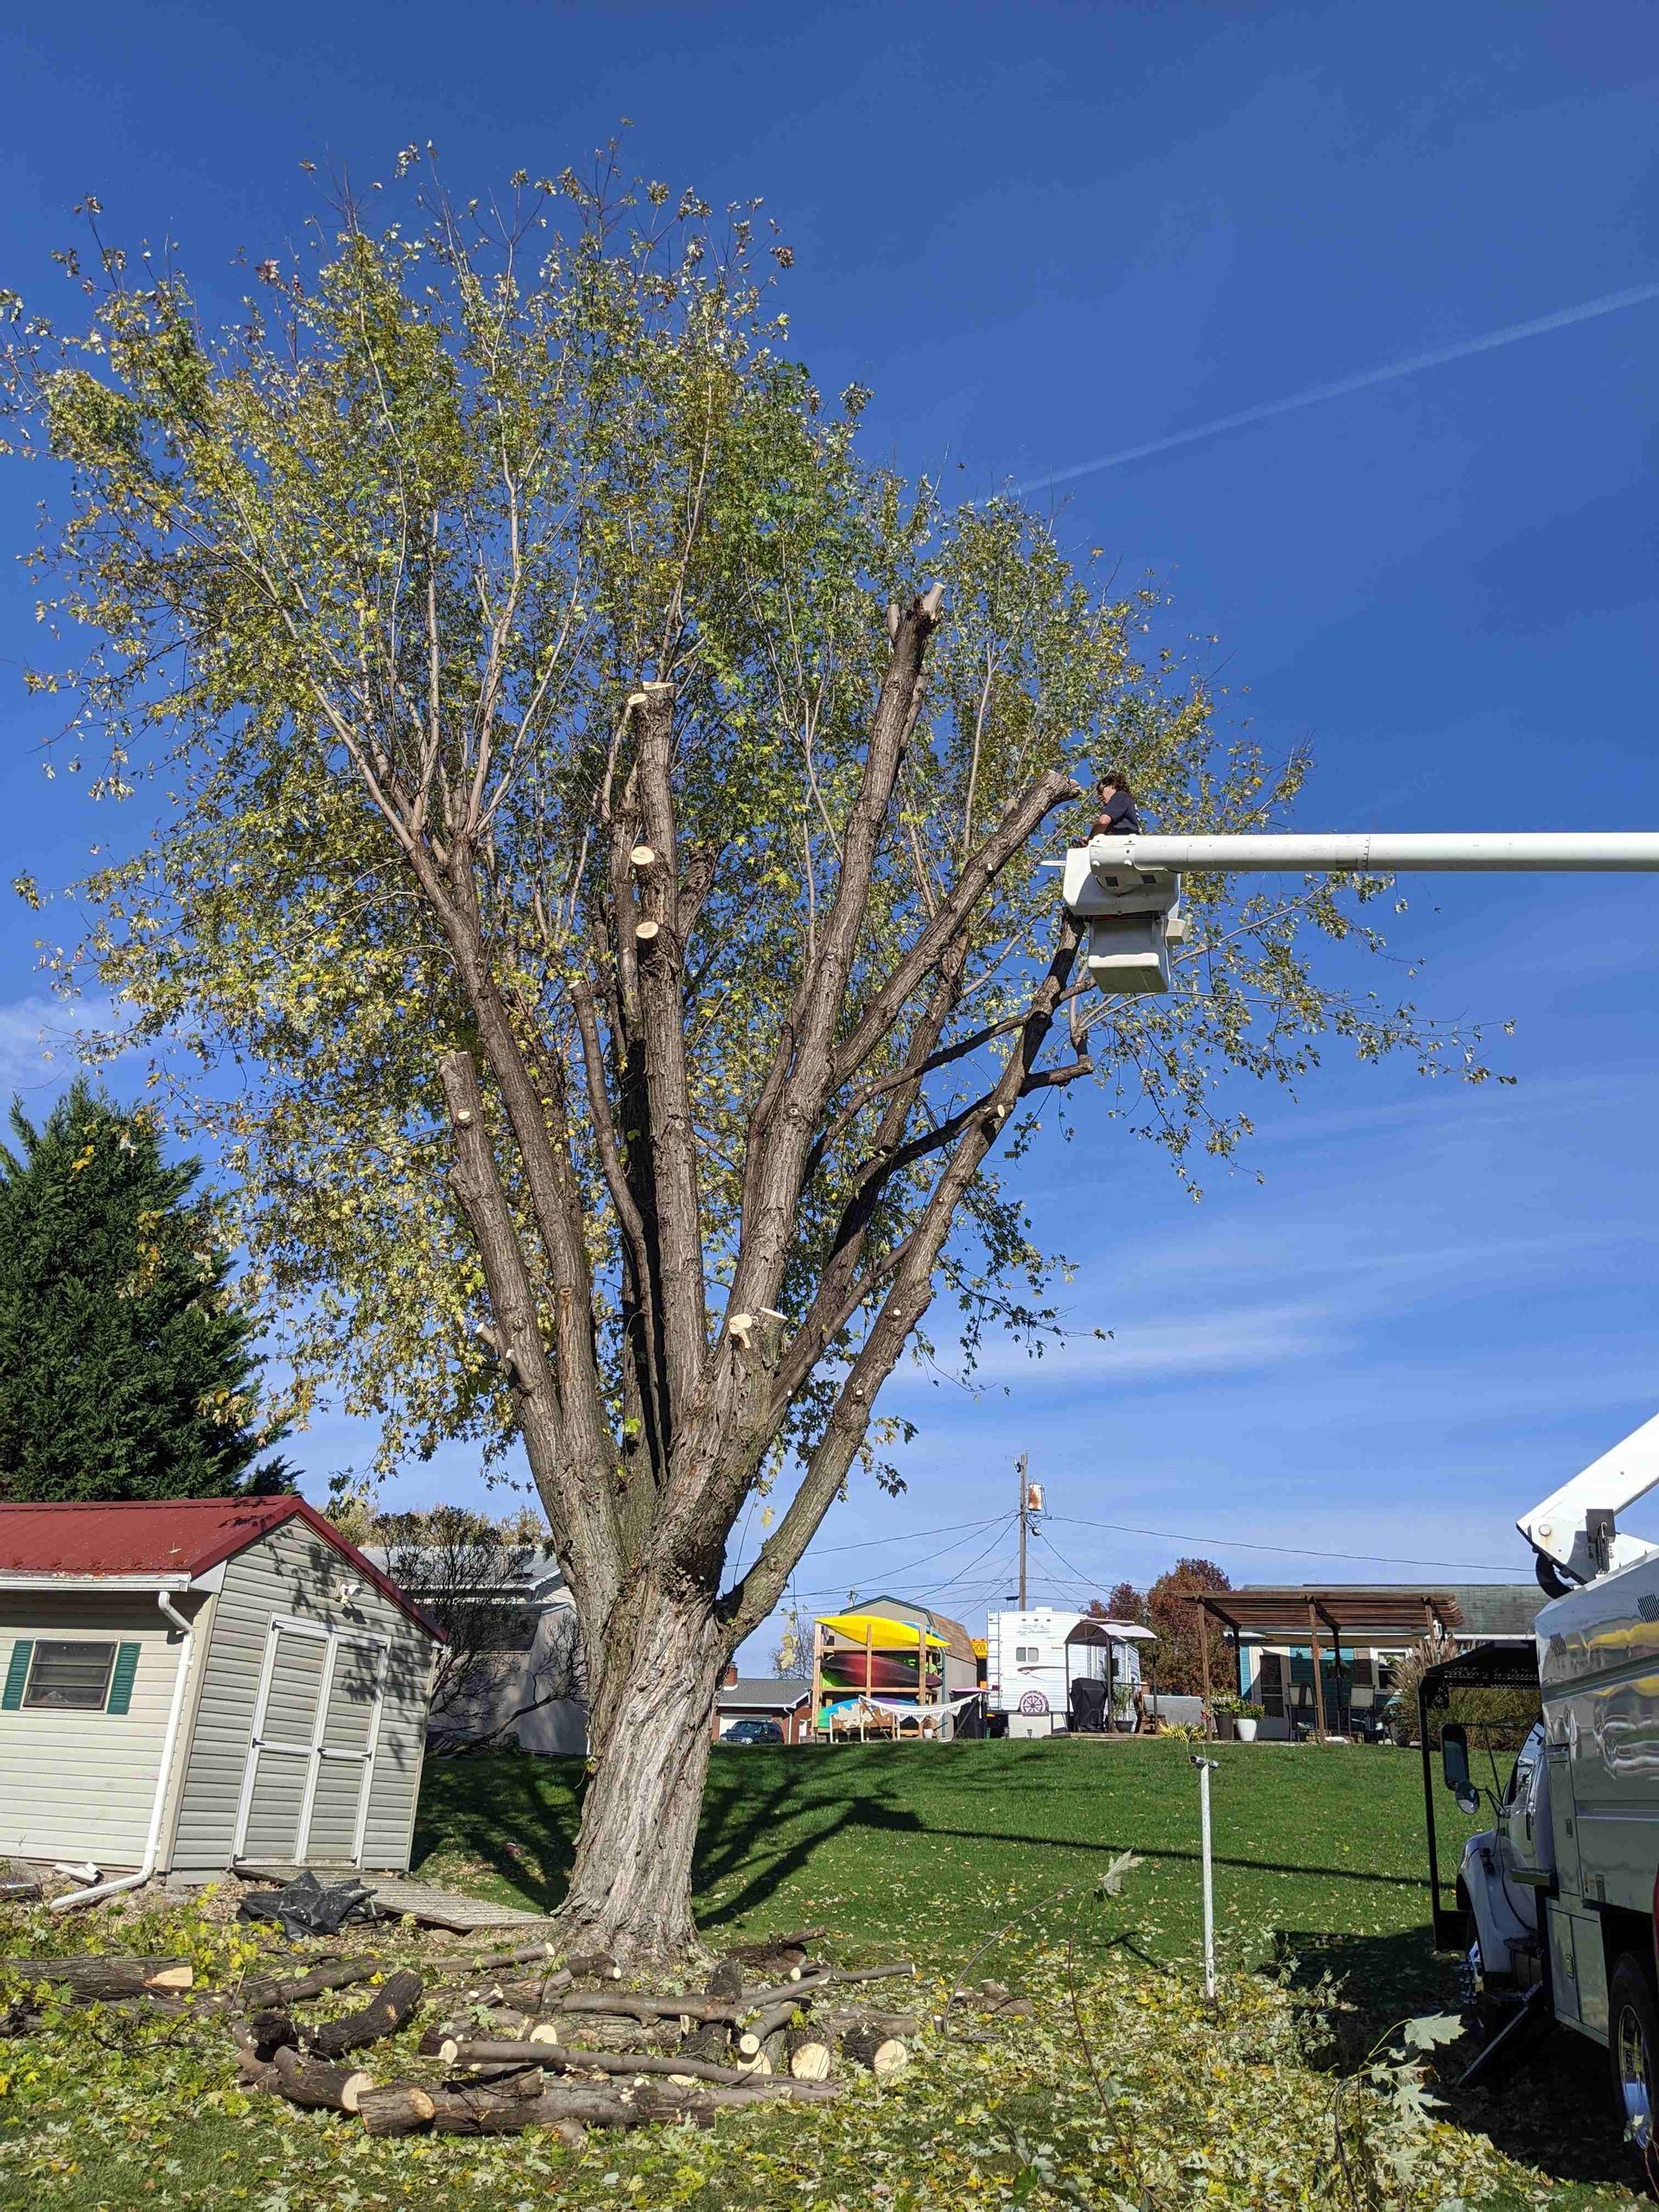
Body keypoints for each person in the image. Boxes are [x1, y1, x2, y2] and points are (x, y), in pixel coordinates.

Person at [1091, 770, 1140, 838]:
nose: (1099, 796)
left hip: (1121, 842)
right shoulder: (1126, 802)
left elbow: (1103, 822)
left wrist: (1090, 840)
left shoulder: (1120, 795)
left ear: (1112, 785)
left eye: (1101, 791)